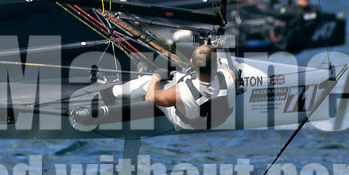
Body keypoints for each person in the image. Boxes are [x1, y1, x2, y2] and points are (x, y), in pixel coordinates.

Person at [80, 44, 236, 130]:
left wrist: (157, 76)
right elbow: (220, 70)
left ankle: (112, 92)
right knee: (178, 76)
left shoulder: (179, 91)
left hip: (187, 124)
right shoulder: (229, 76)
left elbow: (151, 97)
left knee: (148, 83)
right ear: (216, 65)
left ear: (192, 63)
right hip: (219, 120)